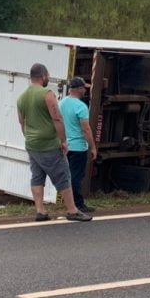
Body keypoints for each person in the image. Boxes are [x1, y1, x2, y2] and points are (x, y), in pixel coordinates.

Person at [16, 63, 92, 222]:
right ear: (43, 75)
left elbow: (22, 122)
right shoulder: (47, 94)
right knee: (63, 175)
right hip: (49, 144)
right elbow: (57, 118)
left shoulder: (21, 97)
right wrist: (63, 140)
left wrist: (29, 138)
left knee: (37, 176)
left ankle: (40, 211)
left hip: (32, 144)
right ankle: (72, 210)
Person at [59, 76, 98, 214]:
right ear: (79, 89)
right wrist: (93, 146)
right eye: (84, 88)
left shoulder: (61, 103)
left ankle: (68, 202)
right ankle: (78, 204)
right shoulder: (81, 107)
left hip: (65, 146)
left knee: (66, 175)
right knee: (76, 176)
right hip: (78, 147)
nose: (85, 91)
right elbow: (86, 129)